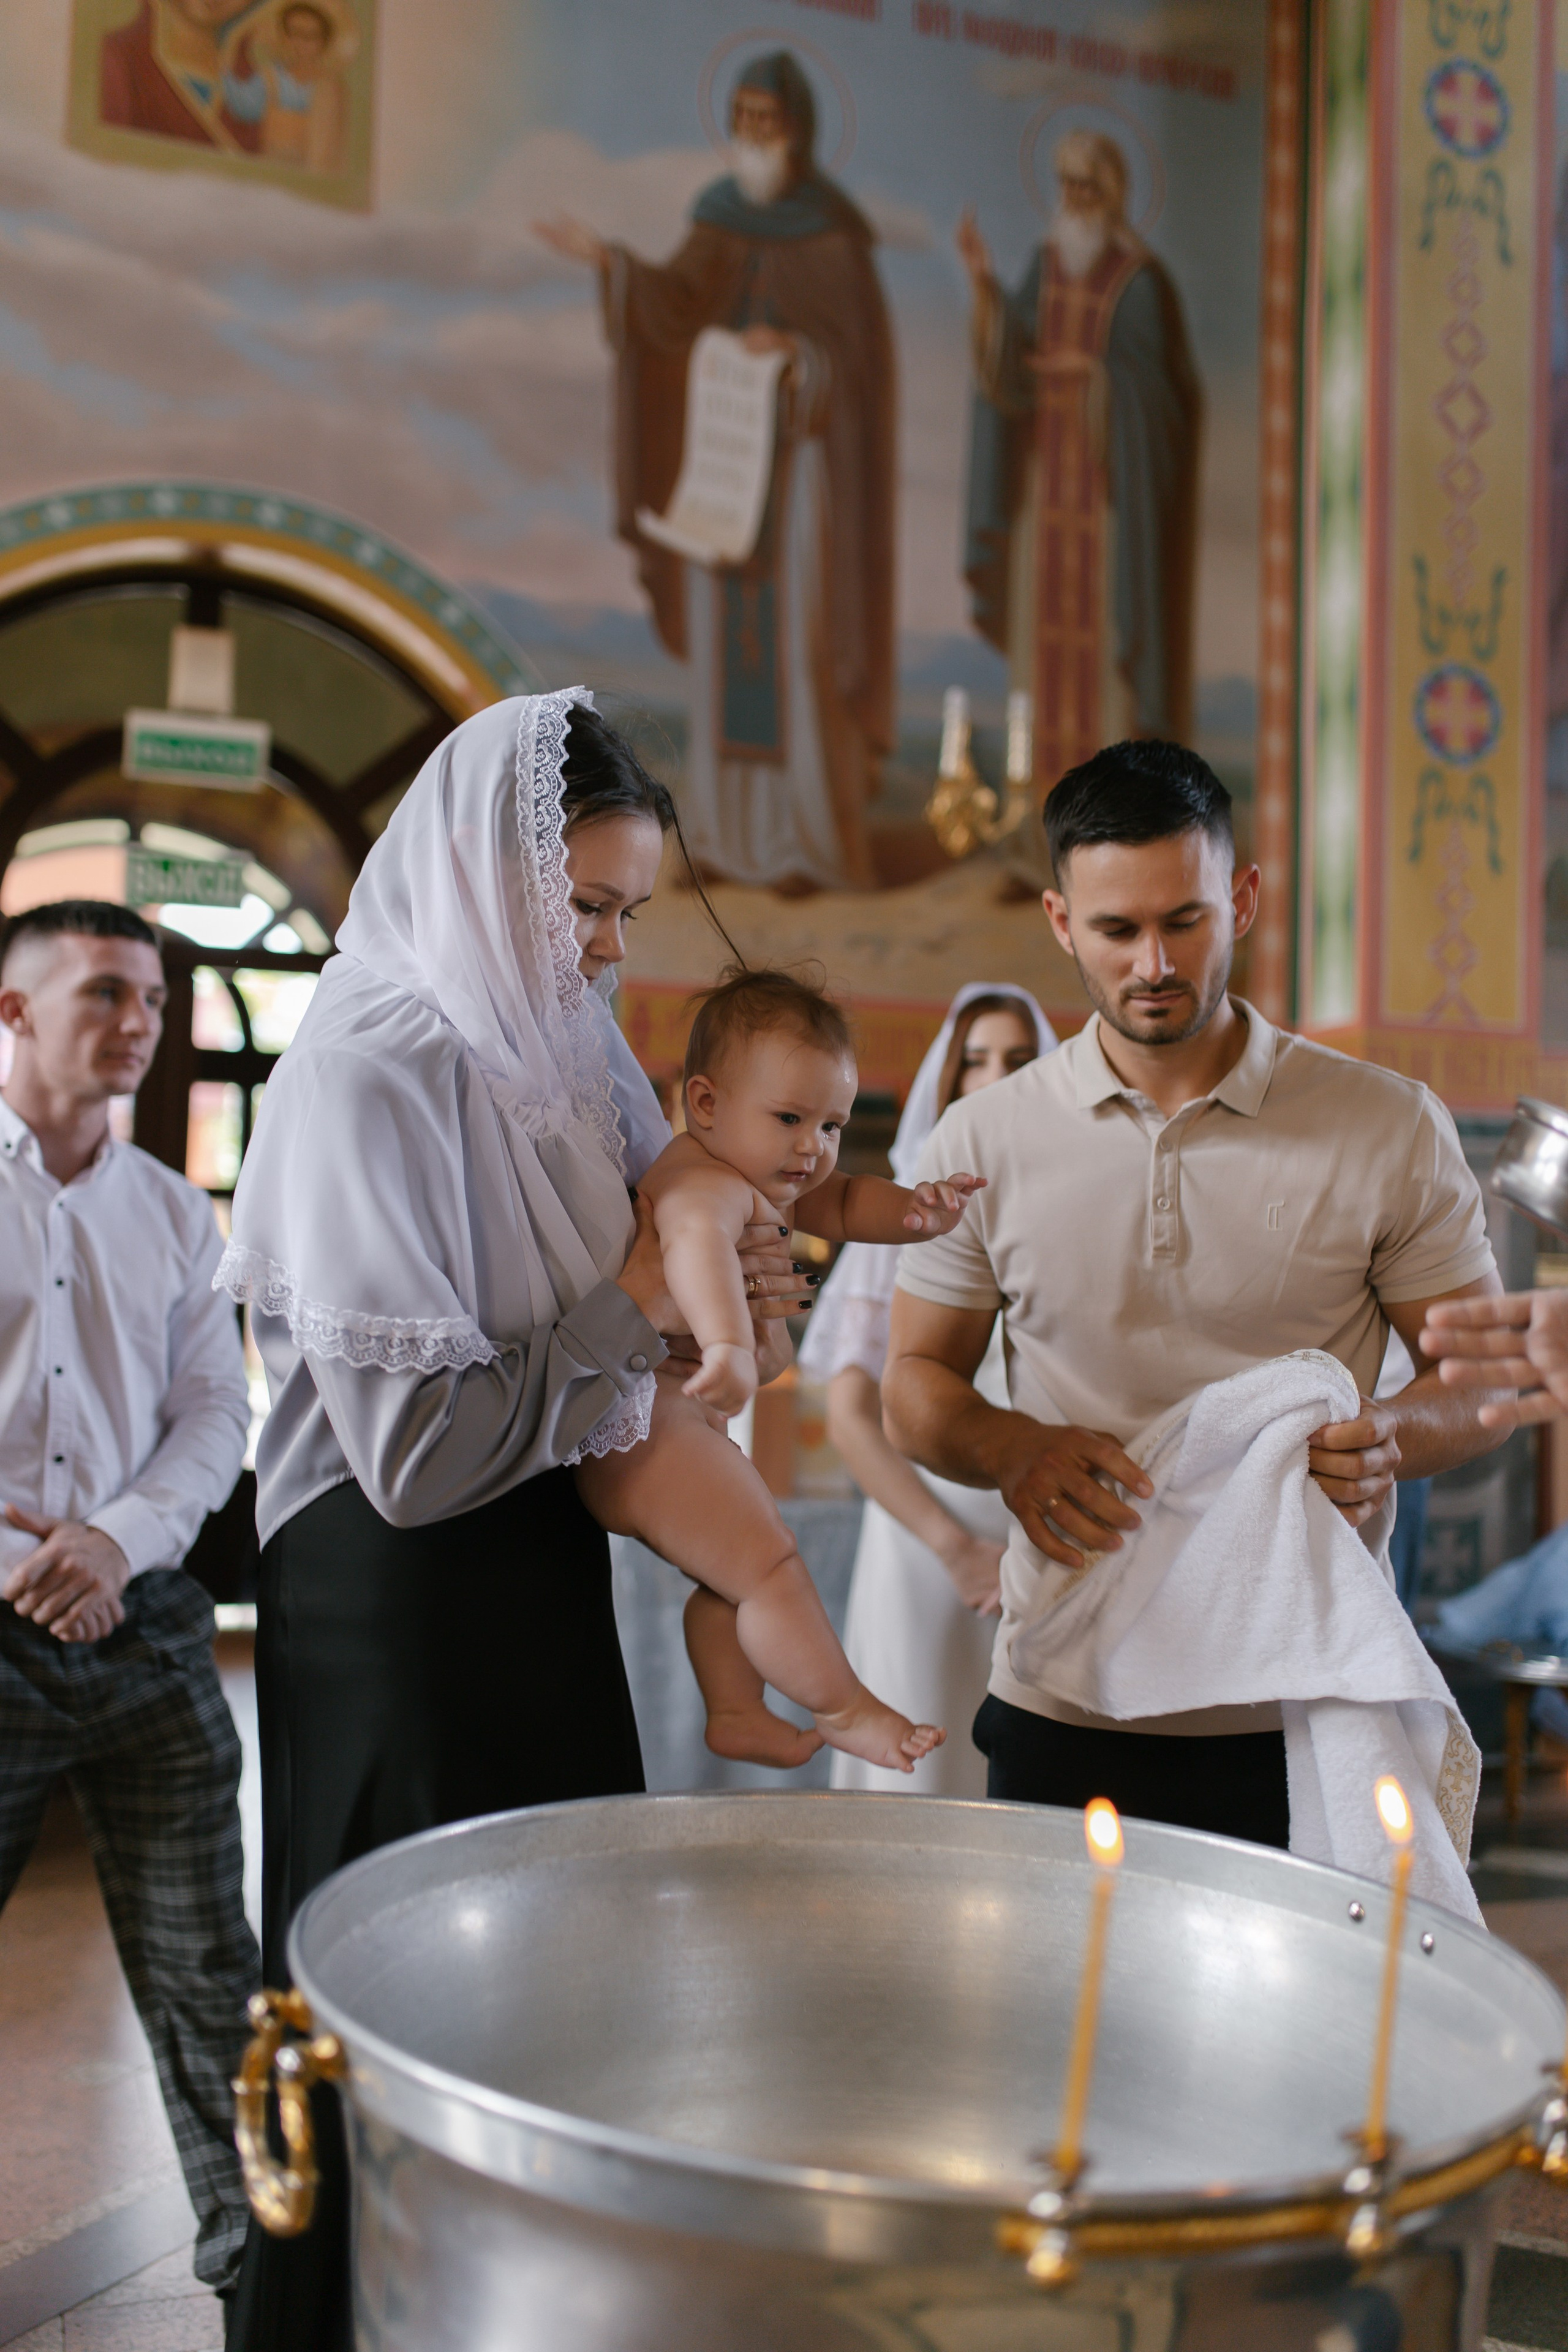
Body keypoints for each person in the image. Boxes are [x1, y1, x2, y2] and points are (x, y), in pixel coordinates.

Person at [217, 690, 810, 2351]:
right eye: (593, 909)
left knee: (555, 1997)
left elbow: (660, 1233)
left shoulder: (559, 1047)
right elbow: (407, 1458)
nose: (616, 951)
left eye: (629, 910)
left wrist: (732, 1273)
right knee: (380, 2022)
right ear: (486, 872)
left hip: (530, 1551)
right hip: (387, 1595)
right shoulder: (368, 1065)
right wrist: (637, 1301)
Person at [882, 739, 1510, 1841]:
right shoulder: (981, 1138)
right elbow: (916, 1383)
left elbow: (1480, 1380)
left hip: (1300, 1706)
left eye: (1186, 921)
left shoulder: (1387, 1123)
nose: (1154, 964)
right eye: (1118, 931)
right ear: (1060, 922)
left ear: (1246, 899)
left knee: (1309, 2022)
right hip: (1064, 1693)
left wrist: (1392, 1437)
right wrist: (1011, 1451)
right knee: (1061, 2017)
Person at [0, 900, 257, 2299]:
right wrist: (30, 1564)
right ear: (13, 1012)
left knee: (208, 1973)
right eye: (105, 991)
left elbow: (215, 1412)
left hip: (146, 1625)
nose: (140, 1020)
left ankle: (252, 2288)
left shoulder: (172, 1208)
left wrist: (114, 1538)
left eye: (153, 997)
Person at [577, 965, 982, 1774]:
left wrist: (914, 1214)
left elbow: (845, 1205)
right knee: (769, 1567)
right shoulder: (699, 1182)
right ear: (705, 1105)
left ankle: (734, 1710)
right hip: (644, 1427)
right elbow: (692, 1251)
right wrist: (729, 1346)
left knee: (734, 1579)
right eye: (792, 1118)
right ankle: (842, 1706)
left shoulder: (755, 1173)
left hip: (670, 1430)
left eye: (832, 1125)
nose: (814, 1148)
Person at [535, 50, 895, 892]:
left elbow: (863, 370)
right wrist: (610, 263)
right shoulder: (720, 217)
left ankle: (804, 844)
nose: (752, 135)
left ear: (797, 129)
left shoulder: (835, 235)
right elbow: (671, 304)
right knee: (730, 662)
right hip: (726, 474)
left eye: (767, 120)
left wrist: (801, 353)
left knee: (796, 654)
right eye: (741, 119)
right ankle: (731, 840)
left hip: (800, 478)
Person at [797, 984, 1058, 1796]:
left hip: (1041, 1537)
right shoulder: (902, 1210)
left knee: (1022, 1780)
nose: (994, 1077)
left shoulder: (1070, 1210)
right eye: (973, 1061)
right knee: (923, 1769)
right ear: (946, 1084)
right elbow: (848, 1413)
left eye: (1017, 1059)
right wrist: (954, 1551)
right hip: (925, 1540)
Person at [958, 132, 1200, 886]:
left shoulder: (1140, 283)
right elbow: (1011, 376)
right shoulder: (1045, 266)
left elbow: (1166, 405)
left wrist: (1096, 378)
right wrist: (987, 295)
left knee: (1101, 685)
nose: (1072, 198)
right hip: (1042, 507)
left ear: (1113, 192)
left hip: (1106, 521)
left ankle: (1111, 863)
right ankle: (1037, 851)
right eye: (1063, 184)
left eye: (1085, 186)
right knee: (1040, 671)